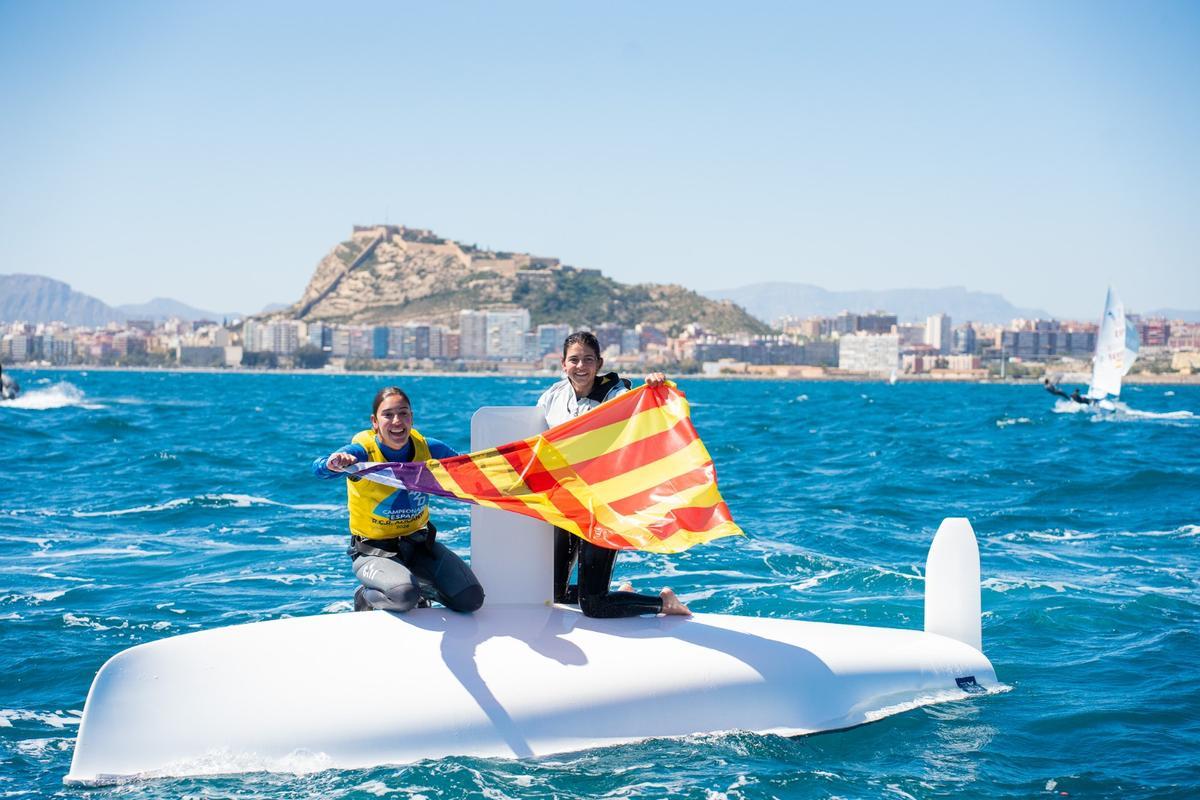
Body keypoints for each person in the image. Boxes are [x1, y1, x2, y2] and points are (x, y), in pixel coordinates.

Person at [536, 331, 691, 618]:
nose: (581, 366)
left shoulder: (616, 395)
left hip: (603, 506)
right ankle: (620, 594)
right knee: (551, 592)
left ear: (599, 363)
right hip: (567, 503)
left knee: (593, 606)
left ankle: (664, 603)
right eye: (574, 360)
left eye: (588, 360)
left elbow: (645, 410)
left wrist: (654, 386)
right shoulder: (552, 397)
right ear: (563, 364)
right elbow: (534, 445)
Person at [313, 386, 484, 614]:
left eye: (403, 413)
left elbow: (469, 469)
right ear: (375, 422)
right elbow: (320, 469)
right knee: (404, 596)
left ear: (411, 418)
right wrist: (333, 463)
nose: (397, 421)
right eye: (388, 415)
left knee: (470, 599)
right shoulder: (362, 453)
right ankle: (366, 595)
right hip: (373, 552)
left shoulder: (429, 448)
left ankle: (421, 587)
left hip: (420, 547)